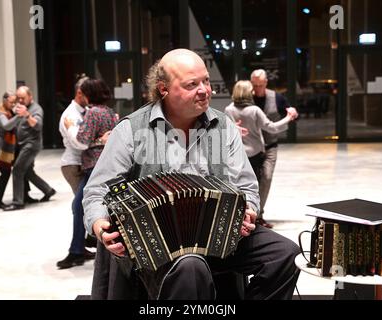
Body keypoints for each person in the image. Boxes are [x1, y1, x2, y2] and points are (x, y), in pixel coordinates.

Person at [82, 49, 300, 300]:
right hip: (156, 246)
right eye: (192, 84)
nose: (205, 90)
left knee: (286, 254)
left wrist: (249, 210)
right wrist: (99, 225)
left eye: (206, 81)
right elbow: (98, 189)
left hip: (221, 235)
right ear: (163, 89)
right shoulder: (131, 129)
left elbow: (247, 185)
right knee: (190, 266)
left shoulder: (224, 126)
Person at [56, 78, 118, 269]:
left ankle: (77, 250)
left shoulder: (92, 112)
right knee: (90, 205)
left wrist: (95, 138)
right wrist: (101, 138)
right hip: (106, 164)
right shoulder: (109, 112)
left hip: (93, 165)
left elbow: (82, 139)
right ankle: (84, 245)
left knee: (80, 205)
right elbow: (111, 136)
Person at [225, 80, 298, 222]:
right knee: (254, 187)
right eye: (251, 90)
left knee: (238, 185)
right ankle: (254, 216)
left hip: (237, 154)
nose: (254, 92)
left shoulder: (229, 109)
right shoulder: (254, 110)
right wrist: (288, 118)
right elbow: (272, 128)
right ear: (247, 93)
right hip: (255, 154)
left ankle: (238, 216)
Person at [246, 69, 296, 228]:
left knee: (266, 178)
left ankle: (259, 215)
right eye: (255, 85)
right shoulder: (246, 97)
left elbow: (290, 112)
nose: (257, 89)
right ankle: (250, 214)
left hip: (270, 146)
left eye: (260, 85)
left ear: (266, 83)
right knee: (251, 181)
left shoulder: (277, 97)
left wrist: (292, 112)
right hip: (251, 148)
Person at [4, 86, 56, 211]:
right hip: (23, 144)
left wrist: (27, 115)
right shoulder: (21, 107)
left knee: (17, 170)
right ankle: (48, 190)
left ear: (30, 96)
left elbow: (37, 126)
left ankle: (18, 202)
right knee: (28, 172)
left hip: (31, 145)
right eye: (18, 98)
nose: (20, 100)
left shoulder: (36, 109)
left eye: (23, 98)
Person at [0, 92, 24, 208]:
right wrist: (19, 116)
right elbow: (7, 126)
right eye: (11, 102)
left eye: (14, 102)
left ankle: (24, 195)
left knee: (19, 168)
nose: (13, 104)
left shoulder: (9, 112)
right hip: (2, 148)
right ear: (5, 101)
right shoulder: (1, 114)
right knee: (5, 174)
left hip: (9, 147)